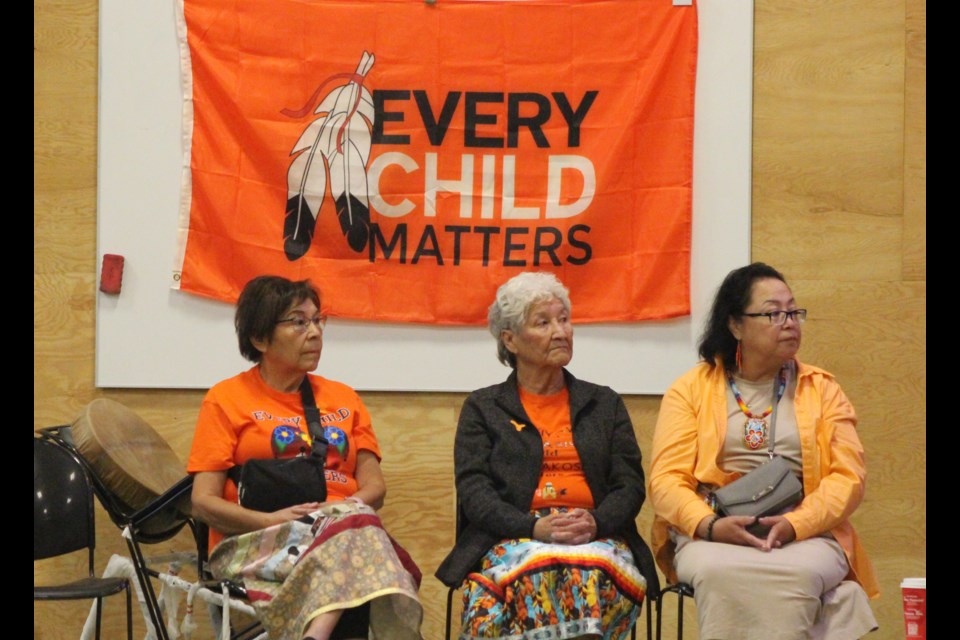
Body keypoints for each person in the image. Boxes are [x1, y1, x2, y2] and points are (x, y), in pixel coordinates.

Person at [649, 262, 880, 640]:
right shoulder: (690, 389)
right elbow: (666, 481)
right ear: (735, 325)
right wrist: (709, 526)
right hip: (714, 527)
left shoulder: (822, 389)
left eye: (793, 312)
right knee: (719, 572)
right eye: (773, 313)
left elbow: (848, 478)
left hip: (805, 530)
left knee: (801, 572)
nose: (789, 322)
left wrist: (795, 525)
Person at [187, 275, 423, 640]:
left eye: (317, 320)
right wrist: (268, 519)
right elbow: (202, 502)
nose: (314, 332)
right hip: (259, 540)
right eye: (299, 322)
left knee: (356, 522)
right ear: (260, 338)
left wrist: (334, 516)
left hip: (343, 534)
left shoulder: (345, 398)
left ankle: (316, 634)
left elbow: (375, 487)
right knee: (363, 544)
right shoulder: (226, 399)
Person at [436, 271, 659, 639]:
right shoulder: (484, 407)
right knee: (541, 567)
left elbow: (630, 485)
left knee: (578, 569)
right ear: (510, 339)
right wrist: (533, 528)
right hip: (511, 538)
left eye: (564, 319)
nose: (561, 331)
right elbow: (475, 494)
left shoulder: (603, 402)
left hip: (597, 538)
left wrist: (595, 523)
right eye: (543, 322)